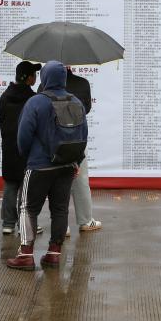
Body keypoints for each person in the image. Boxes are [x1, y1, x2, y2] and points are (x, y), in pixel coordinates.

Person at [7, 61, 87, 270]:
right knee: (60, 209)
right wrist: (76, 162)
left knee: (27, 208)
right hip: (66, 166)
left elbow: (23, 137)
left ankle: (25, 255)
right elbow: (83, 136)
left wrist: (29, 158)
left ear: (45, 77)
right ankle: (53, 254)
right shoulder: (76, 102)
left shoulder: (35, 102)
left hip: (39, 165)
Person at [0, 61, 40, 234]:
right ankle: (27, 223)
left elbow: (2, 123)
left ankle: (8, 224)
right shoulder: (33, 99)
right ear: (29, 78)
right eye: (34, 75)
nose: (36, 78)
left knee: (10, 185)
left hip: (9, 147)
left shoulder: (5, 96)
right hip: (27, 148)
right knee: (26, 188)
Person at [66, 67, 102, 234]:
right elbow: (86, 108)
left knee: (57, 181)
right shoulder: (82, 83)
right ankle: (86, 220)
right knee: (80, 179)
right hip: (78, 137)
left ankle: (61, 225)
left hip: (53, 140)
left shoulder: (44, 85)